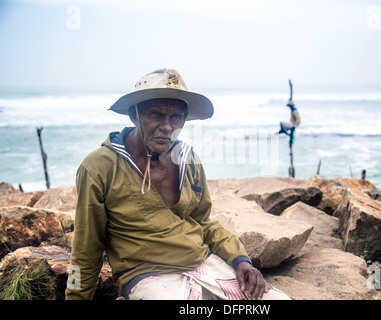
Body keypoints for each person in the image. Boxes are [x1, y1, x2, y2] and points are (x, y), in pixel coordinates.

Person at [65, 68, 290, 300]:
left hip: (204, 265)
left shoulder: (187, 159)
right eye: (155, 114)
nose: (167, 127)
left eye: (176, 118)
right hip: (148, 276)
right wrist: (75, 297)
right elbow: (85, 247)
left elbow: (204, 223)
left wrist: (241, 260)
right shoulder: (99, 167)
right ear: (134, 115)